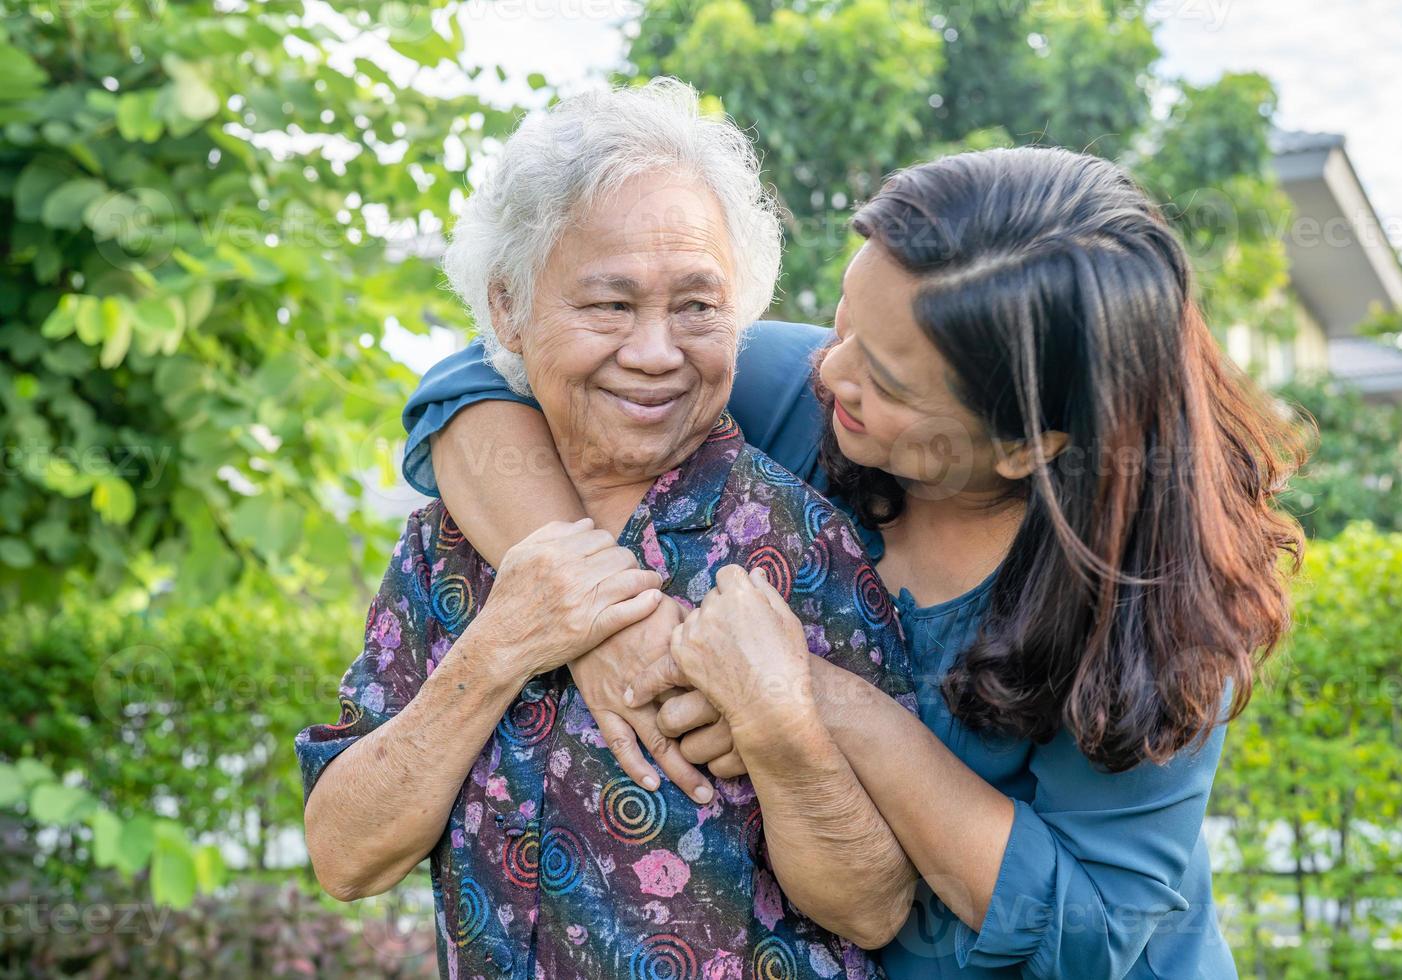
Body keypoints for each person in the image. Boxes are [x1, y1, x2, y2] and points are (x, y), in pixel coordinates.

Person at [400, 145, 1305, 978]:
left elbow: (1094, 933)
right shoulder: (802, 397)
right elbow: (478, 385)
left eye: (889, 383)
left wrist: (824, 702)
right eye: (842, 323)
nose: (830, 374)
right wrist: (603, 615)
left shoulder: (1155, 609)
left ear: (1030, 445)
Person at [296, 79, 918, 980]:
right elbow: (347, 857)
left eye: (698, 306)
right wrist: (501, 645)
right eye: (611, 306)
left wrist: (783, 734)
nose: (658, 351)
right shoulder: (448, 545)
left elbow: (874, 905)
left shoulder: (804, 543)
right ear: (507, 309)